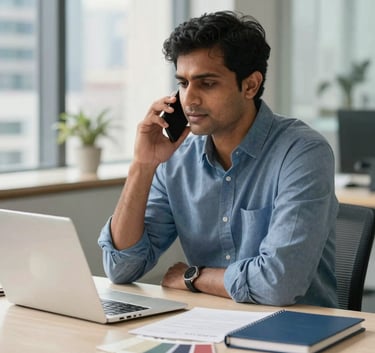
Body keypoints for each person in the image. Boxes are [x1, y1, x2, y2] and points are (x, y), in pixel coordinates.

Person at [98, 11, 338, 307]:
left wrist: (193, 277)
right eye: (183, 83)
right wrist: (142, 166)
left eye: (207, 83)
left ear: (249, 85)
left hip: (299, 331)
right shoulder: (176, 159)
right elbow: (122, 267)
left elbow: (279, 284)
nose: (189, 99)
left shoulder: (302, 152)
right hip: (208, 326)